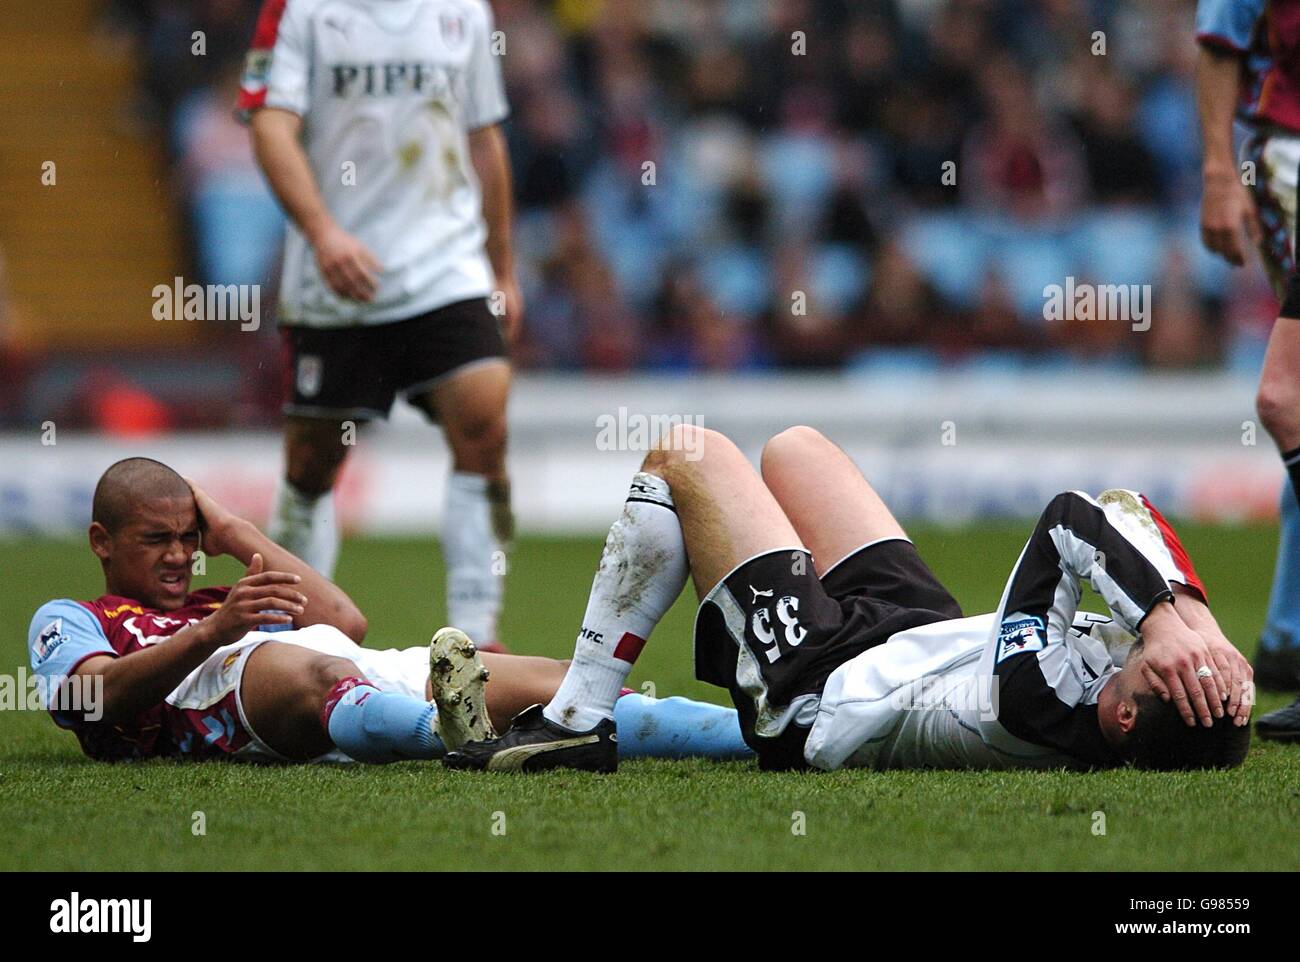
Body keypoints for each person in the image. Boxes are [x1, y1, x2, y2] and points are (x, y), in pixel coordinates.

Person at [446, 426, 1253, 773]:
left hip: (823, 690)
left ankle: (578, 722)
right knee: (795, 450)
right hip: (923, 639)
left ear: (1119, 717)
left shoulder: (1041, 703)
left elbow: (1071, 519)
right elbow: (1125, 505)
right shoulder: (1134, 689)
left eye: (1165, 667)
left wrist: (1162, 615)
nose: (1163, 652)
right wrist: (1199, 624)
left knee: (686, 453)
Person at [26, 458, 750, 765]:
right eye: (158, 541)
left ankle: (766, 735)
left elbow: (343, 616)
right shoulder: (72, 615)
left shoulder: (227, 595)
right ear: (102, 541)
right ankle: (457, 739)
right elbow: (92, 698)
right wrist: (217, 632)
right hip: (224, 699)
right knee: (313, 667)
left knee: (569, 686)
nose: (181, 557)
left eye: (190, 539)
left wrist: (236, 532)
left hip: (348, 673)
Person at [239, 0, 521, 650]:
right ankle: (297, 634)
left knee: (484, 418)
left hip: (447, 266)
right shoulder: (298, 10)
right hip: (341, 277)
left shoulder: (463, 11)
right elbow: (270, 127)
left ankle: (478, 636)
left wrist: (502, 269)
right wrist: (322, 233)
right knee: (312, 464)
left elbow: (483, 137)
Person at [1196, 0, 1300, 736]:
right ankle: (1290, 634)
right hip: (1283, 159)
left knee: (1286, 398)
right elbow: (1221, 39)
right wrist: (1221, 172)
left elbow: (1217, 42)